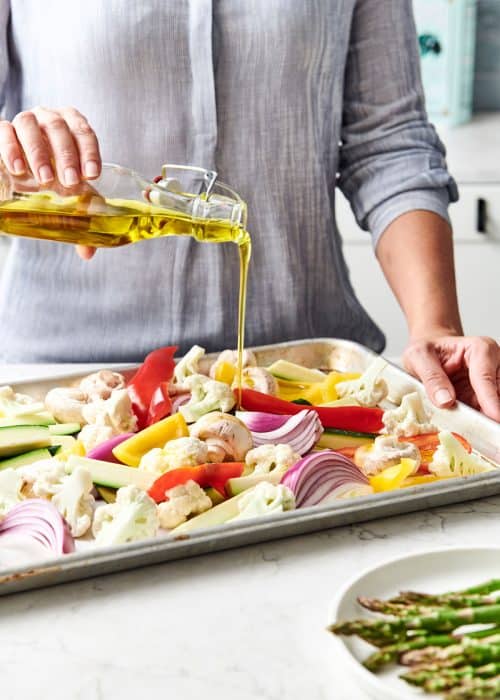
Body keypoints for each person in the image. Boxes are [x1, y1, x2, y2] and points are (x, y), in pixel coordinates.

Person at [0, 0, 498, 421]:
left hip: (304, 380)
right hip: (61, 390)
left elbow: (389, 146)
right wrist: (13, 150)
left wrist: (436, 328)